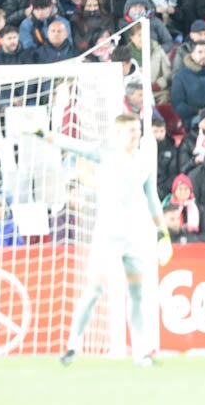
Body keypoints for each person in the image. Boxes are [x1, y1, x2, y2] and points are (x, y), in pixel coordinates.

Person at [42, 114, 165, 366]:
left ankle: (141, 353)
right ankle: (72, 347)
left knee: (137, 294)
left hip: (134, 236)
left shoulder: (144, 161)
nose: (136, 133)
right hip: (107, 236)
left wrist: (162, 231)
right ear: (118, 133)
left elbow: (152, 198)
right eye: (130, 130)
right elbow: (71, 145)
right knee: (93, 290)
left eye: (137, 129)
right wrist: (43, 134)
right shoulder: (106, 154)